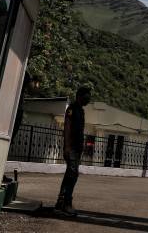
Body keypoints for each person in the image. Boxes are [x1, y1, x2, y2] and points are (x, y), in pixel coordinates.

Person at [55, 86, 92, 216]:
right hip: (71, 148)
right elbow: (67, 128)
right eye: (86, 96)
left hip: (77, 148)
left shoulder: (81, 111)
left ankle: (61, 202)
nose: (88, 99)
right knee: (72, 174)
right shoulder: (72, 109)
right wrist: (67, 147)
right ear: (79, 96)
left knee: (71, 174)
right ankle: (66, 203)